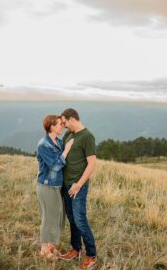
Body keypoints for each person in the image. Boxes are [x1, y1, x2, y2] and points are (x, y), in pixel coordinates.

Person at [59, 108, 98, 269]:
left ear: (72, 119)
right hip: (65, 184)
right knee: (72, 219)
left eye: (65, 122)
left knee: (80, 220)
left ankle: (91, 255)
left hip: (77, 186)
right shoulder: (69, 135)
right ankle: (76, 249)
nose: (64, 126)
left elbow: (92, 164)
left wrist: (79, 184)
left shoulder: (87, 136)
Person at [36, 115, 74, 260]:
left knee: (57, 217)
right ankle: (44, 250)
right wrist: (67, 150)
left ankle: (51, 246)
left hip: (57, 186)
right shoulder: (43, 144)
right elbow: (55, 166)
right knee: (48, 218)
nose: (62, 126)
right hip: (46, 186)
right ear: (51, 126)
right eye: (59, 124)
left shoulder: (58, 141)